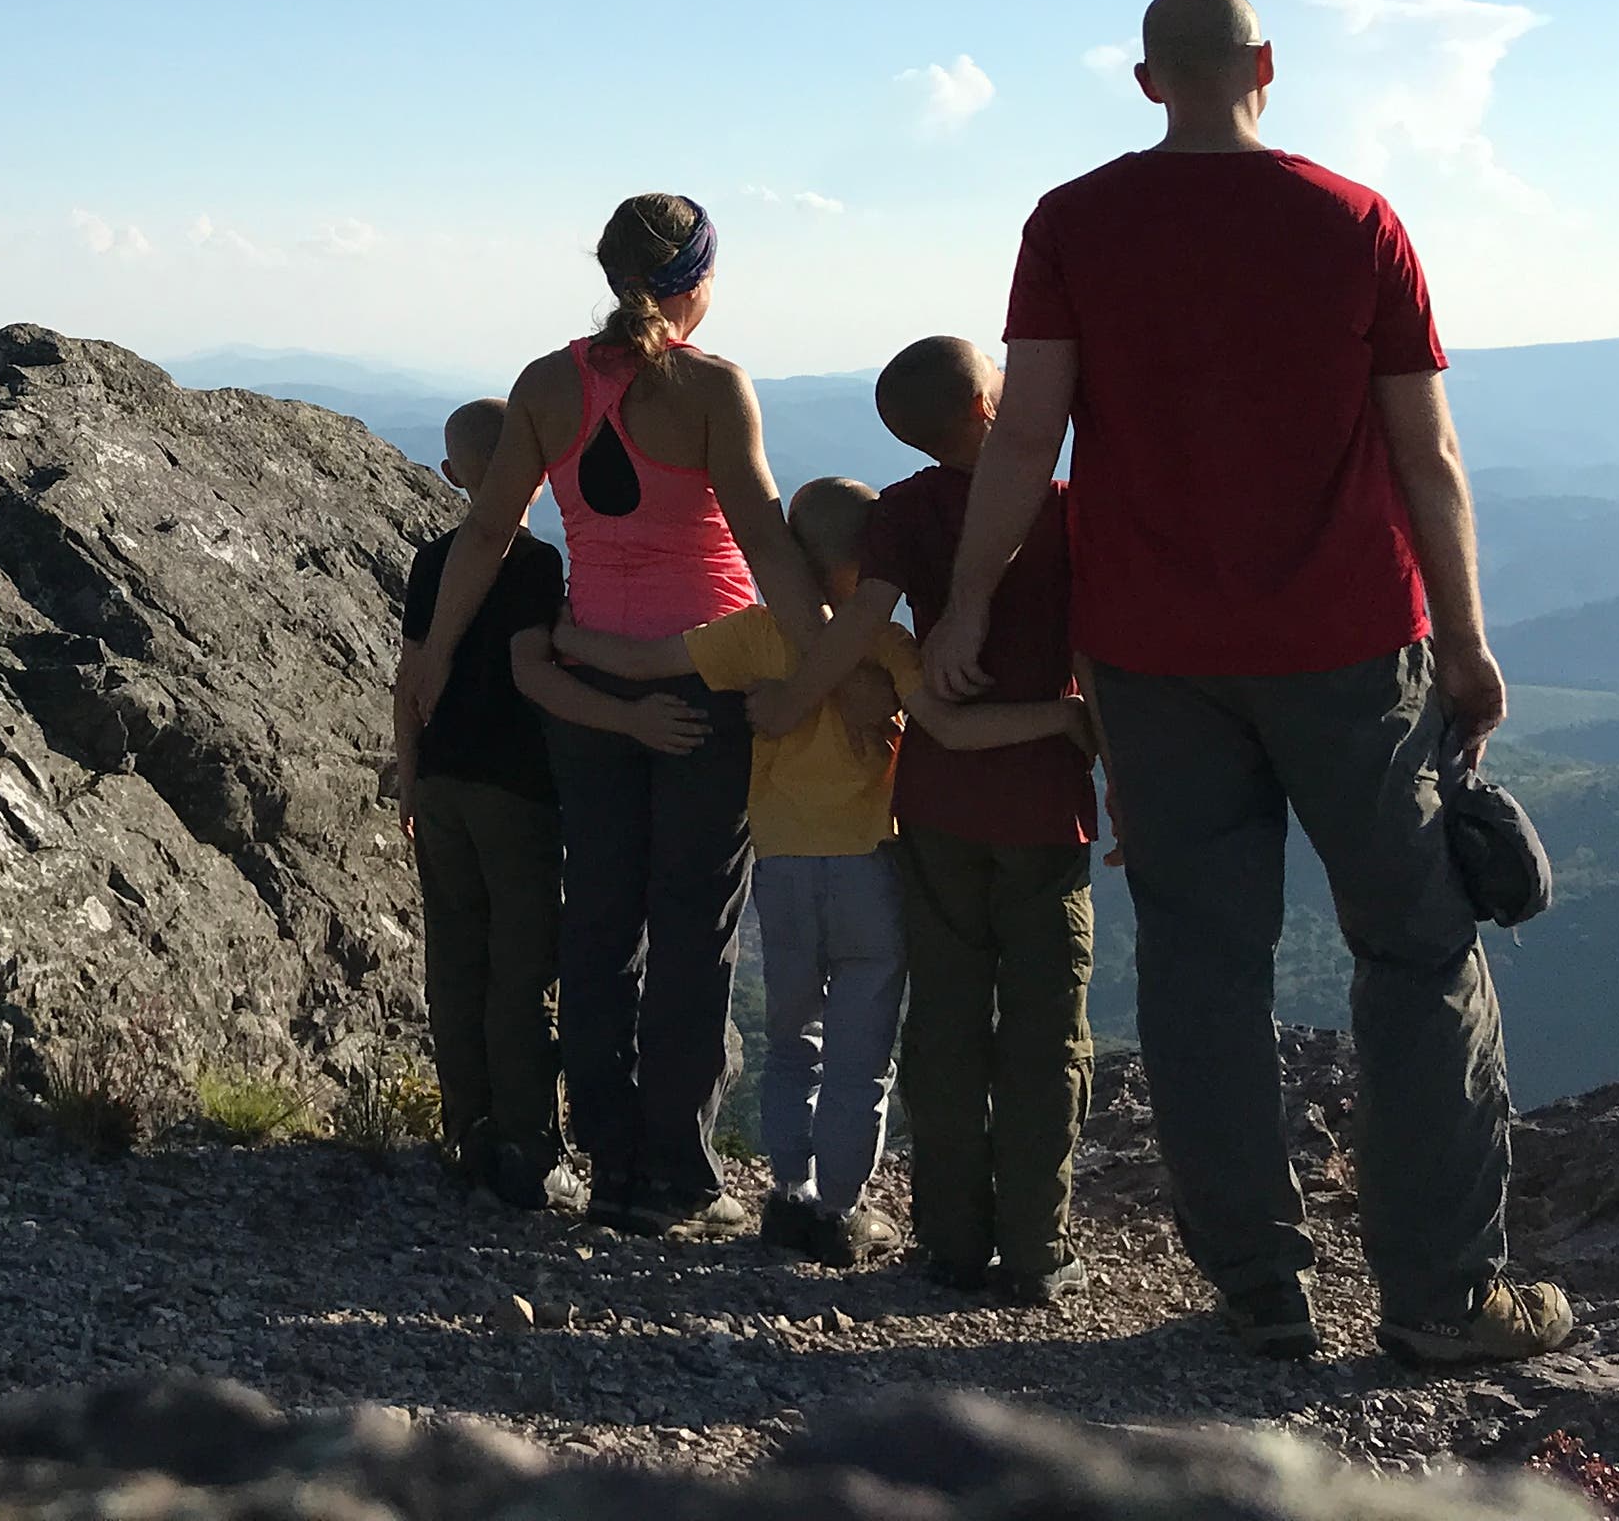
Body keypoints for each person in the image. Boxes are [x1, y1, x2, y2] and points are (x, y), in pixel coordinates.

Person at [924, 0, 1574, 1368]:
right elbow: (1426, 452)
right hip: (1350, 647)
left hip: (1153, 658)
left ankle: (1259, 1291)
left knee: (1202, 965)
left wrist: (968, 603)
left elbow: (1026, 436)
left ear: (1146, 80)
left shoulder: (1073, 223)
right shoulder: (1355, 222)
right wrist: (1465, 641)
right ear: (1266, 64)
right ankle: (1442, 1300)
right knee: (1416, 950)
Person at [400, 192, 830, 1236]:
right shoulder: (713, 387)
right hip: (703, 682)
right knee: (693, 926)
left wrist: (436, 655)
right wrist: (834, 662)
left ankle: (608, 1161)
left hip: (588, 685)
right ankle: (674, 1175)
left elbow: (487, 532)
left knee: (597, 921)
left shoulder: (547, 384)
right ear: (697, 279)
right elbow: (766, 541)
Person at [530, 475, 1095, 1264]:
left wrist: (571, 638)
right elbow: (949, 729)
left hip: (783, 873)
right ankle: (840, 1209)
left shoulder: (752, 635)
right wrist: (1064, 719)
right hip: (868, 872)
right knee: (861, 1059)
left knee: (795, 1042)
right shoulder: (886, 646)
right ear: (872, 565)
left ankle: (788, 1194)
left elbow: (648, 659)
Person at [863, 333, 1100, 1305]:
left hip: (935, 800)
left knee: (946, 1022)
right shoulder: (1063, 510)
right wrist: (1117, 772)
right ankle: (1037, 1249)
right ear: (985, 409)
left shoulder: (900, 511)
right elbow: (1098, 658)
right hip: (1044, 804)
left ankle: (951, 1243)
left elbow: (865, 624)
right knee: (1046, 1034)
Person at [390, 398, 571, 1213]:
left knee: (456, 961)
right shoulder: (535, 564)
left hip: (442, 781)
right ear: (539, 471)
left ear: (451, 474)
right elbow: (533, 669)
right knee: (522, 967)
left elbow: (410, 677)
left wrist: (409, 775)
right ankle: (528, 1144)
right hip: (515, 788)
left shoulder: (432, 561)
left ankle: (467, 1126)